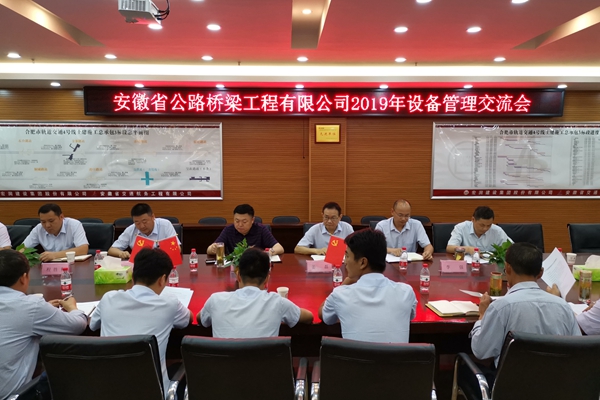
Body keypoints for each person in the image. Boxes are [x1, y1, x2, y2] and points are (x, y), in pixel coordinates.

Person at [467, 242, 580, 386]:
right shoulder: (563, 307)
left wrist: (482, 316)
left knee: (466, 369)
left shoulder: (501, 307)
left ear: (507, 268)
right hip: (556, 387)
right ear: (540, 273)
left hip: (510, 388)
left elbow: (481, 351)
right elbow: (578, 351)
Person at [90, 248, 192, 398]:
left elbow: (92, 325)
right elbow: (188, 319)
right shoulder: (169, 304)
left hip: (108, 392)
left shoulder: (108, 299)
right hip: (154, 393)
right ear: (162, 279)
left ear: (133, 275)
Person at [0, 249, 88, 399]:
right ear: (23, 278)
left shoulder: (31, 308)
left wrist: (43, 310)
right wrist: (73, 308)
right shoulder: (31, 306)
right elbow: (77, 325)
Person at [319, 229, 417, 343]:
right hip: (398, 355)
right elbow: (408, 316)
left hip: (354, 355)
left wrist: (344, 283)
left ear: (362, 262)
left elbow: (323, 314)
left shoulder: (341, 295)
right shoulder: (406, 292)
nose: (345, 262)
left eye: (347, 256)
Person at [199, 247, 313, 337]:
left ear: (238, 276)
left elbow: (200, 319)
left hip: (223, 361)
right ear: (267, 279)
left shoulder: (215, 300)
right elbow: (309, 317)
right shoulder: (278, 302)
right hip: (264, 361)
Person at [207, 204, 284, 256]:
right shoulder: (228, 230)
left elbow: (279, 248)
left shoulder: (261, 229)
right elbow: (209, 250)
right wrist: (212, 248)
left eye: (244, 222)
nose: (240, 225)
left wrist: (268, 252)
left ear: (252, 220)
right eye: (237, 221)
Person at [108, 203, 178, 259]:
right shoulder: (131, 229)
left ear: (153, 217)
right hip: (140, 266)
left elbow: (177, 248)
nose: (141, 226)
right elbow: (112, 250)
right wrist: (121, 253)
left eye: (144, 221)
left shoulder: (165, 225)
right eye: (137, 223)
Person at [23, 203, 89, 262]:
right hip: (48, 266)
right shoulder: (39, 228)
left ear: (61, 217)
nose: (47, 225)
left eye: (51, 221)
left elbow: (83, 249)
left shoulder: (74, 225)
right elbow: (22, 249)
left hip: (71, 264)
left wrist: (55, 255)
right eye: (43, 222)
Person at [446, 206, 512, 255]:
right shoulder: (461, 228)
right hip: (467, 265)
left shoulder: (497, 231)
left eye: (489, 225)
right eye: (482, 225)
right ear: (473, 219)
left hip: (490, 265)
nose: (485, 228)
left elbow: (511, 248)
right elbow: (449, 248)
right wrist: (468, 249)